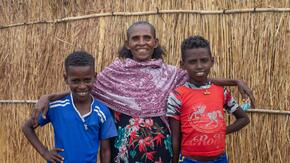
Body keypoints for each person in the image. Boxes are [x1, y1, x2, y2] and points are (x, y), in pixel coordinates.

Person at [31, 21, 254, 163]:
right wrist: (47, 97)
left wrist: (234, 81)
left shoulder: (169, 73)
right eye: (136, 38)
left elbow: (199, 76)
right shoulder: (113, 72)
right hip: (124, 150)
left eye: (147, 38)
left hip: (161, 148)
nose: (142, 43)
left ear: (155, 42)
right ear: (128, 43)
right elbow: (83, 88)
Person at [166, 35, 250, 163]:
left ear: (212, 61)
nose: (199, 66)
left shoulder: (222, 92)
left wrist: (221, 131)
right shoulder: (177, 96)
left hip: (220, 159)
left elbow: (244, 119)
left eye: (204, 60)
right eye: (192, 62)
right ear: (182, 65)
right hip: (190, 160)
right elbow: (175, 137)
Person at [22, 51, 117, 163]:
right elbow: (27, 127)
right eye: (75, 81)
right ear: (66, 79)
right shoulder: (56, 107)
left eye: (87, 80)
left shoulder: (101, 111)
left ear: (95, 77)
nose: (82, 86)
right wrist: (45, 153)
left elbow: (105, 150)